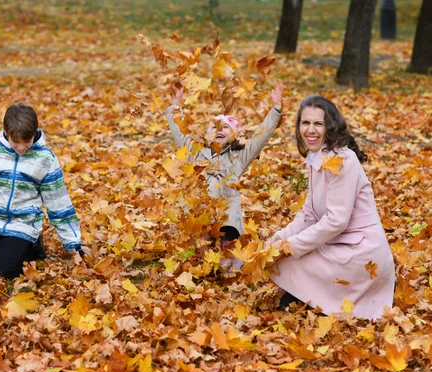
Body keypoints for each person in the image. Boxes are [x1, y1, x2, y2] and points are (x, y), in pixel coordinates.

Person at [267, 95, 395, 320]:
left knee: (292, 258)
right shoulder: (317, 157)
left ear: (330, 126)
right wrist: (279, 238)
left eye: (318, 123)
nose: (311, 130)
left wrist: (289, 247)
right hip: (339, 243)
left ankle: (314, 301)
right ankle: (303, 298)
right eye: (305, 123)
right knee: (286, 255)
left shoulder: (342, 160)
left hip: (360, 252)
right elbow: (308, 214)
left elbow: (336, 221)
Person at [0, 103, 82, 279]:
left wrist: (74, 246)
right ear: (6, 132)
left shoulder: (45, 159)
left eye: (27, 141)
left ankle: (32, 246)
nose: (22, 147)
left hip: (22, 225)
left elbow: (58, 204)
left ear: (34, 133)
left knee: (1, 272)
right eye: (16, 142)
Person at [165, 80, 283, 261]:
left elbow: (262, 135)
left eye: (226, 127)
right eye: (214, 126)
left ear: (235, 134)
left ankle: (228, 265)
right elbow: (178, 131)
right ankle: (202, 263)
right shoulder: (194, 151)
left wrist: (276, 108)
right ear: (206, 133)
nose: (219, 129)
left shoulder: (239, 156)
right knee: (200, 254)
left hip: (228, 223)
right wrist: (175, 105)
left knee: (229, 259)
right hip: (201, 220)